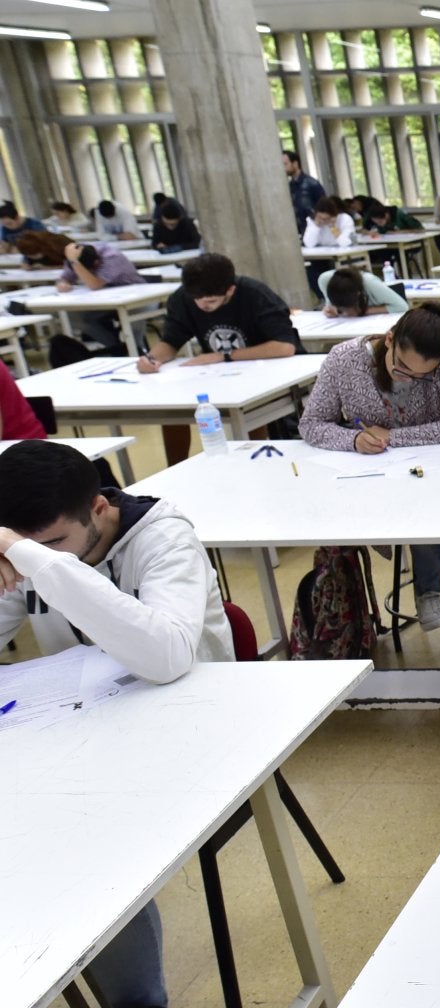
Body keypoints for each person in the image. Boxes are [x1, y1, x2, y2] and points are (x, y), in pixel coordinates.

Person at [0, 439, 235, 1008]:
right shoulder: (30, 545)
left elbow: (167, 657)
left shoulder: (161, 537)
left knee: (77, 836)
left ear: (99, 509)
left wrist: (34, 558)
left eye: (55, 543)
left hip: (195, 727)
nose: (40, 556)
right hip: (87, 726)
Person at [299, 305, 440, 637]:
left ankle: (430, 593)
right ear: (389, 340)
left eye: (421, 375)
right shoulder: (344, 360)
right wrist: (355, 439)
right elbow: (312, 424)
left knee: (428, 502)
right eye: (401, 367)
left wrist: (395, 437)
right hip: (374, 479)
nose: (407, 378)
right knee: (422, 505)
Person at [139, 253, 301, 463]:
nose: (201, 306)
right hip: (220, 374)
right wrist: (151, 359)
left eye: (210, 301)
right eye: (196, 300)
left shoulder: (255, 295)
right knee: (174, 408)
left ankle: (256, 463)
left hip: (268, 372)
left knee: (249, 405)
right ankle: (176, 466)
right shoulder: (184, 298)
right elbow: (171, 342)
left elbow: (285, 347)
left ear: (230, 290)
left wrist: (222, 356)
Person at [57, 241, 146, 354]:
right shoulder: (75, 254)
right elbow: (64, 278)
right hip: (104, 301)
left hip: (138, 297)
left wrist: (75, 263)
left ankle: (136, 349)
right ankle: (118, 348)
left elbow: (95, 284)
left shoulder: (112, 257)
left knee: (133, 323)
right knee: (77, 317)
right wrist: (62, 283)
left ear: (96, 262)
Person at [319, 264, 408, 316]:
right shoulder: (325, 280)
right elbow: (330, 305)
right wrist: (332, 310)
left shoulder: (370, 282)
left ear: (358, 294)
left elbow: (402, 306)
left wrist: (362, 311)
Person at [283, 149, 325, 234]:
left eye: (285, 164)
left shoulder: (312, 183)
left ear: (295, 164)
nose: (283, 168)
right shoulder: (289, 186)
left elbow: (324, 206)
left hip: (314, 229)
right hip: (297, 231)